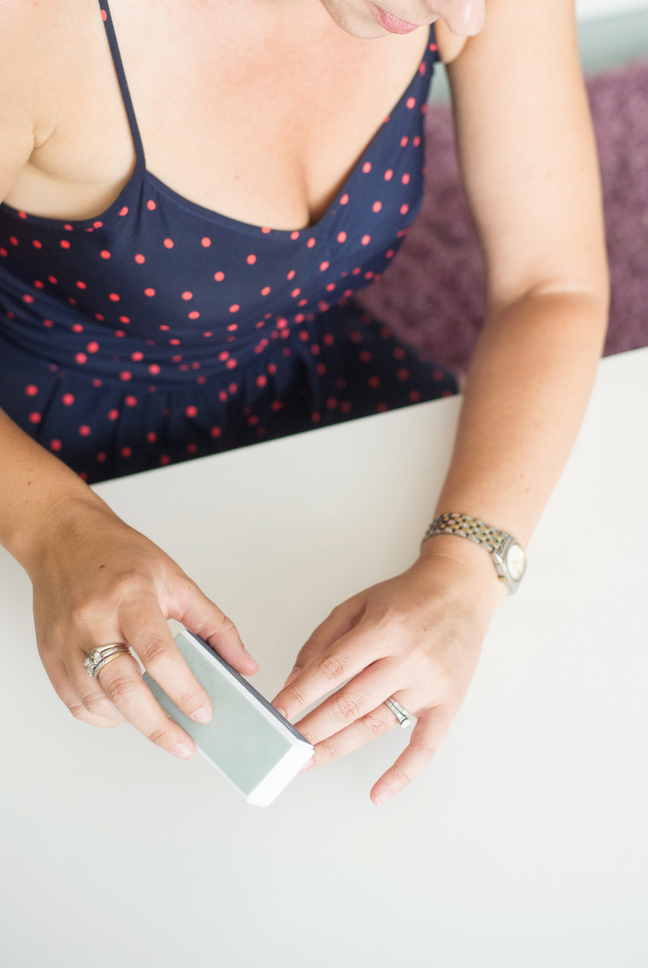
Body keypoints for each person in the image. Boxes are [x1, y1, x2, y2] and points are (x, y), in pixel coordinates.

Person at [0, 0, 609, 805]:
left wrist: (467, 569)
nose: (464, 14)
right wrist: (50, 528)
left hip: (314, 385)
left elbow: (551, 282)